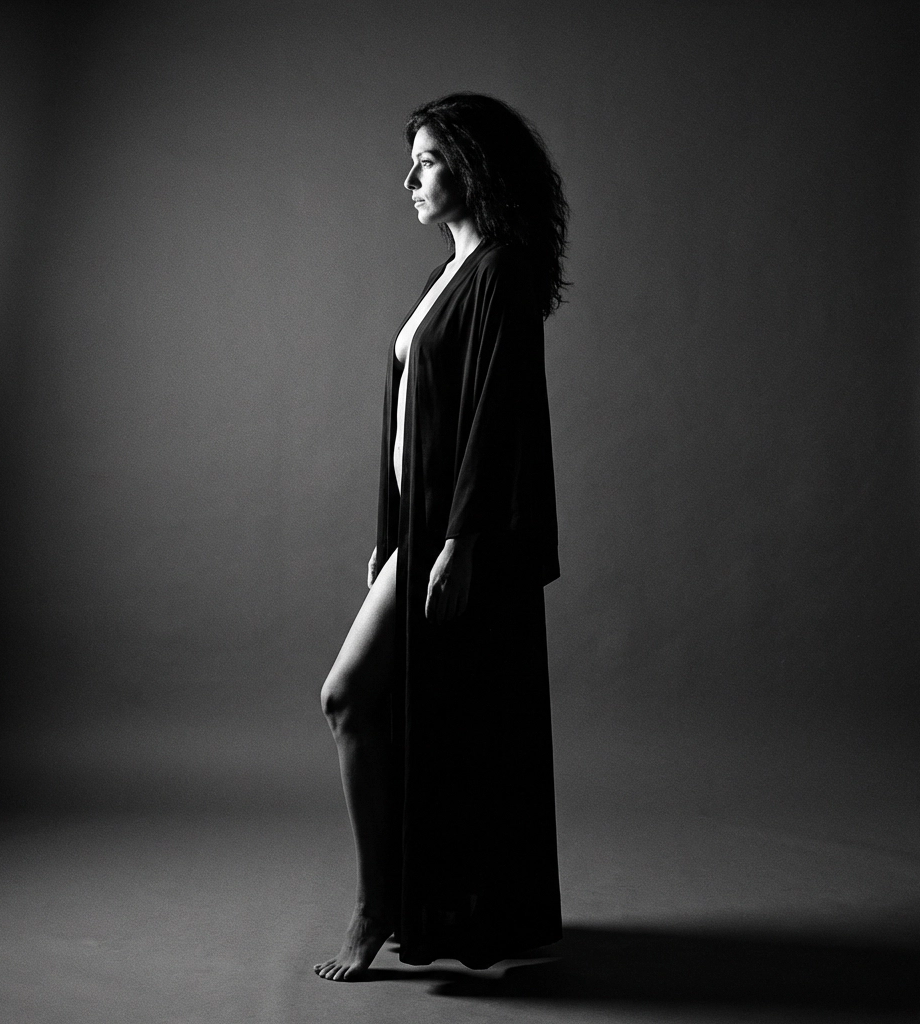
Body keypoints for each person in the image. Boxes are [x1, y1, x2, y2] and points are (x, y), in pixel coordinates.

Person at [314, 92, 568, 982]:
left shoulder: (499, 271)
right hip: (413, 536)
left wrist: (460, 541)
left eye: (426, 159)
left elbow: (494, 418)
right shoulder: (443, 279)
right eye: (414, 160)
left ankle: (378, 904)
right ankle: (399, 900)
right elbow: (408, 424)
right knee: (394, 713)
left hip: (451, 538)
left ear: (473, 166)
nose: (411, 178)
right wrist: (388, 540)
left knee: (353, 696)